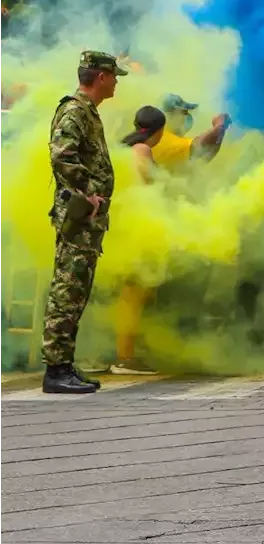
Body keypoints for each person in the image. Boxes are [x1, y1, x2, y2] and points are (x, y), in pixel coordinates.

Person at [41, 51, 128, 394]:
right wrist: (88, 193)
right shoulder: (75, 110)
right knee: (67, 288)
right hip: (79, 215)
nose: (117, 81)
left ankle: (63, 364)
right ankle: (55, 369)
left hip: (88, 218)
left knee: (76, 290)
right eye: (114, 76)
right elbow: (61, 155)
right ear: (101, 77)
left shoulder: (88, 112)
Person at [109, 106, 168, 375]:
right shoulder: (142, 150)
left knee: (132, 293)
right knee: (133, 294)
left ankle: (125, 352)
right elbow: (148, 184)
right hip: (139, 229)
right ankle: (125, 357)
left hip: (126, 227)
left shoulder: (123, 147)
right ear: (159, 130)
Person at [150, 93, 230, 171]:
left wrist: (220, 131)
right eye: (184, 113)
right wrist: (219, 125)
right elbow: (199, 147)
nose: (186, 117)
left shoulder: (156, 135)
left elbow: (204, 156)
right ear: (170, 115)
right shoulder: (162, 139)